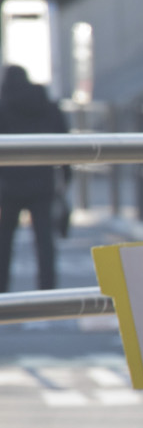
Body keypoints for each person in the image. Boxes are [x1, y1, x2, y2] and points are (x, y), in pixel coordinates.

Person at [0, 65, 66, 293]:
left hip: (8, 185)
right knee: (45, 240)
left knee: (4, 241)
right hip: (42, 182)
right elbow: (65, 144)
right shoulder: (47, 105)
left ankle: (3, 290)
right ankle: (47, 290)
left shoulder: (4, 105)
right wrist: (65, 179)